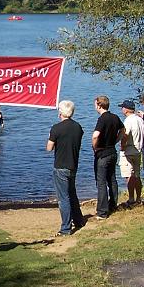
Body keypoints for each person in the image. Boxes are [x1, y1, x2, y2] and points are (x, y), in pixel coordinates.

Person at [46, 100, 85, 235]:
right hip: (73, 164)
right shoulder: (78, 127)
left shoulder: (56, 128)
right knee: (72, 193)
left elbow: (49, 148)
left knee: (63, 198)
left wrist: (52, 138)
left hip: (61, 165)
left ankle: (65, 228)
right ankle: (79, 220)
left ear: (61, 112)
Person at [92, 95, 124, 219]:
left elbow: (96, 135)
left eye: (95, 104)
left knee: (101, 183)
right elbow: (123, 130)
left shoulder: (102, 119)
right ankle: (113, 205)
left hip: (102, 154)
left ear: (99, 105)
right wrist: (116, 140)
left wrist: (95, 147)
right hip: (112, 152)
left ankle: (102, 212)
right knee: (112, 179)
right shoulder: (115, 117)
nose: (95, 106)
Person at [119, 99, 144, 206]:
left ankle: (131, 199)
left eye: (122, 107)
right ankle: (138, 198)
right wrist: (143, 141)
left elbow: (125, 135)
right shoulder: (139, 119)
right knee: (137, 175)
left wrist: (122, 146)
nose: (122, 109)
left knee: (129, 176)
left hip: (128, 150)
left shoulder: (128, 121)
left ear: (127, 110)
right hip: (138, 150)